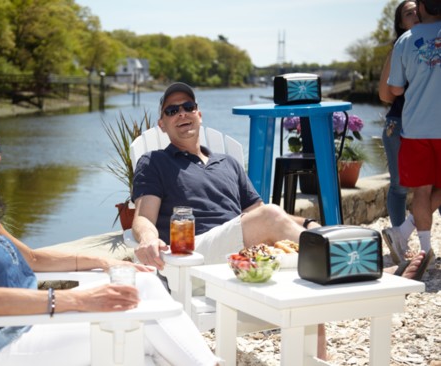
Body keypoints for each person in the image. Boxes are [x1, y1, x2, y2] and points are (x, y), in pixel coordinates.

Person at [131, 82, 429, 360]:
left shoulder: (228, 163)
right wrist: (147, 239)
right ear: (162, 124)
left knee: (309, 278)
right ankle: (368, 269)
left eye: (187, 106)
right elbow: (143, 217)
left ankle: (315, 359)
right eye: (172, 110)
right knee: (279, 221)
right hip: (194, 254)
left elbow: (260, 214)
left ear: (199, 114)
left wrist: (310, 225)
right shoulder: (155, 161)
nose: (181, 113)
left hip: (239, 255)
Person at [0, 107, 219, 366]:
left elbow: (34, 259)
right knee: (140, 325)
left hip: (36, 322)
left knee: (144, 286)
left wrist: (104, 262)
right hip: (6, 345)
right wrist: (77, 300)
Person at [386, 0, 441, 270]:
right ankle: (407, 235)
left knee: (422, 190)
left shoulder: (405, 40)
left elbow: (394, 89)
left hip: (416, 127)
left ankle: (422, 247)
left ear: (420, 7)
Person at [379, 0, 420, 229]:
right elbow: (386, 95)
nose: (415, 14)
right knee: (399, 186)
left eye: (417, 10)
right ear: (401, 23)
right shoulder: (400, 47)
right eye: (408, 13)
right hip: (399, 123)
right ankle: (400, 241)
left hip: (431, 124)